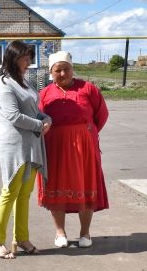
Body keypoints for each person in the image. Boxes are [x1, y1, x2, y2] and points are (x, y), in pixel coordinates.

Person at [37, 50, 108, 248]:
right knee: (57, 187)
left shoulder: (88, 89)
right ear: (51, 73)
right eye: (57, 70)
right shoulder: (44, 94)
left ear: (72, 69)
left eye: (66, 69)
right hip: (55, 148)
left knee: (85, 186)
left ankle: (85, 233)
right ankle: (60, 232)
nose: (62, 74)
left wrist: (85, 133)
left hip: (84, 147)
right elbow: (40, 118)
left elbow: (101, 115)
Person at [0, 41, 52, 258]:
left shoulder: (24, 82)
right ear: (13, 58)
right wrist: (39, 125)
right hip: (14, 147)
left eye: (29, 58)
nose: (29, 62)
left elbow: (34, 109)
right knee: (9, 192)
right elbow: (13, 116)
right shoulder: (4, 84)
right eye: (25, 58)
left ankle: (21, 238)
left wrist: (46, 118)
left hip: (32, 146)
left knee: (24, 195)